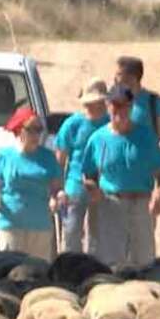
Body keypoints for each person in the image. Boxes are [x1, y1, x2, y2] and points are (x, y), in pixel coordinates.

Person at [80, 84, 160, 269]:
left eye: (125, 105)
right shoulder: (98, 139)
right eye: (116, 105)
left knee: (144, 264)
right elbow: (88, 174)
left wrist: (159, 197)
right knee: (112, 265)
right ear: (108, 106)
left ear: (131, 107)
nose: (120, 110)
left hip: (141, 205)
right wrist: (92, 188)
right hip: (110, 205)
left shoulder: (145, 136)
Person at [0, 106, 63, 260]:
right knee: (11, 268)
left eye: (39, 129)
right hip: (10, 223)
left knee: (39, 270)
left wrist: (57, 197)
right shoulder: (4, 156)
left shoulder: (48, 157)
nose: (36, 134)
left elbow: (56, 188)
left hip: (41, 224)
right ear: (18, 131)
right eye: (31, 129)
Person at [53, 78, 110, 254]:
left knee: (99, 236)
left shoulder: (111, 124)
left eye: (98, 103)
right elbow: (60, 159)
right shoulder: (73, 124)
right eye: (90, 103)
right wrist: (57, 190)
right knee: (71, 233)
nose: (94, 107)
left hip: (104, 187)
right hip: (75, 186)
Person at [113, 56, 160, 146]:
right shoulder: (114, 101)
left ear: (132, 77)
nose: (115, 78)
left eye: (118, 74)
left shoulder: (155, 102)